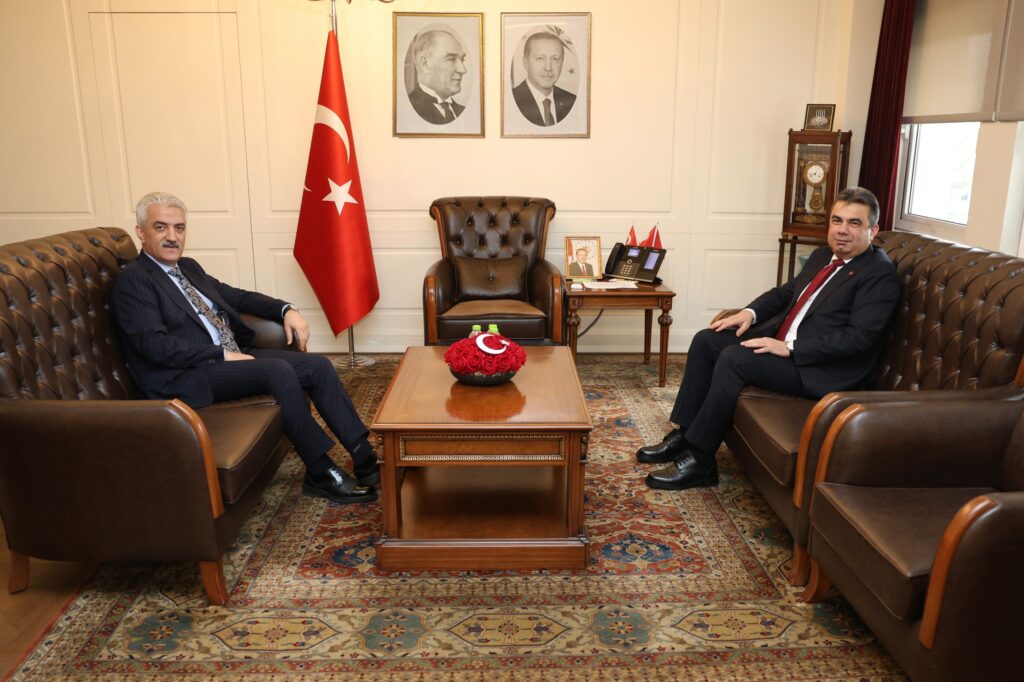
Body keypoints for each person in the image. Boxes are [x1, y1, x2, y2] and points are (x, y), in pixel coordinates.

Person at [112, 192, 378, 505]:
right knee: (277, 371)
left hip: (224, 357)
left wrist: (286, 309)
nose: (172, 236)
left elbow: (234, 296)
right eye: (161, 227)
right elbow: (155, 346)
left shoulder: (188, 267)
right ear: (141, 232)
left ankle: (365, 457)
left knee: (317, 366)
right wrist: (221, 355)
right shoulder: (135, 280)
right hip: (183, 375)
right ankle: (320, 472)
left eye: (179, 228)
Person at [637, 187, 900, 490]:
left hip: (821, 369)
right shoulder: (822, 256)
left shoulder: (878, 274)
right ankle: (686, 434)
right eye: (837, 220)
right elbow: (785, 293)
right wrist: (748, 313)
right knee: (707, 340)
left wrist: (789, 347)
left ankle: (701, 460)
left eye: (854, 223)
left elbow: (858, 339)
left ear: (873, 230)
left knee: (735, 359)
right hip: (787, 349)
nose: (842, 230)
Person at [512, 31, 577, 126]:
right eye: (540, 58)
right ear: (526, 63)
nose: (548, 68)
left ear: (562, 62)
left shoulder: (572, 101)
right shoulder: (511, 102)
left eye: (555, 59)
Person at [407, 29, 467, 125]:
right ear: (425, 64)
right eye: (451, 59)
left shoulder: (464, 112)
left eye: (462, 59)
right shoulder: (407, 110)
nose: (463, 70)